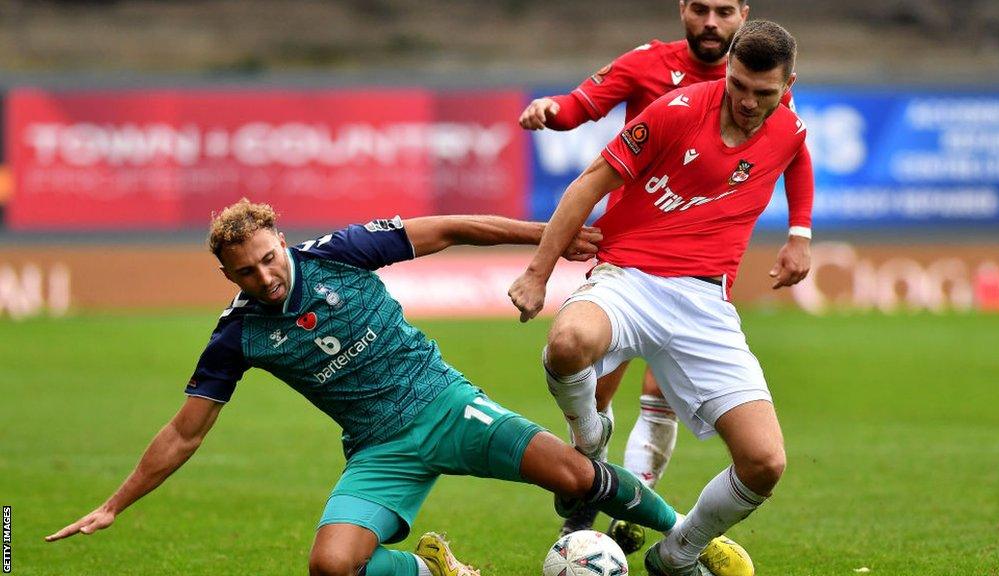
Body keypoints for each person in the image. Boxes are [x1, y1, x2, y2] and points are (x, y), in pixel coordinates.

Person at [45, 200, 686, 576]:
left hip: (447, 406)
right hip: (380, 452)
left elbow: (452, 228)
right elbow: (184, 433)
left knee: (577, 478)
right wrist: (114, 505)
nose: (265, 278)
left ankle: (690, 537)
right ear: (227, 273)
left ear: (281, 243)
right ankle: (434, 570)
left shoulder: (339, 252)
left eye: (270, 259)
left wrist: (549, 240)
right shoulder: (236, 336)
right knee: (331, 567)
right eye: (246, 272)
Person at [510, 21, 810, 576]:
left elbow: (797, 155)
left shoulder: (789, 128)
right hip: (629, 279)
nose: (747, 101)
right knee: (568, 343)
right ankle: (590, 437)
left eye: (762, 93)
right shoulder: (676, 109)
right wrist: (537, 274)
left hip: (705, 307)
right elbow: (590, 182)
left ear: (787, 84)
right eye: (738, 85)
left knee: (765, 463)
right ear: (728, 71)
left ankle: (677, 553)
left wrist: (801, 233)